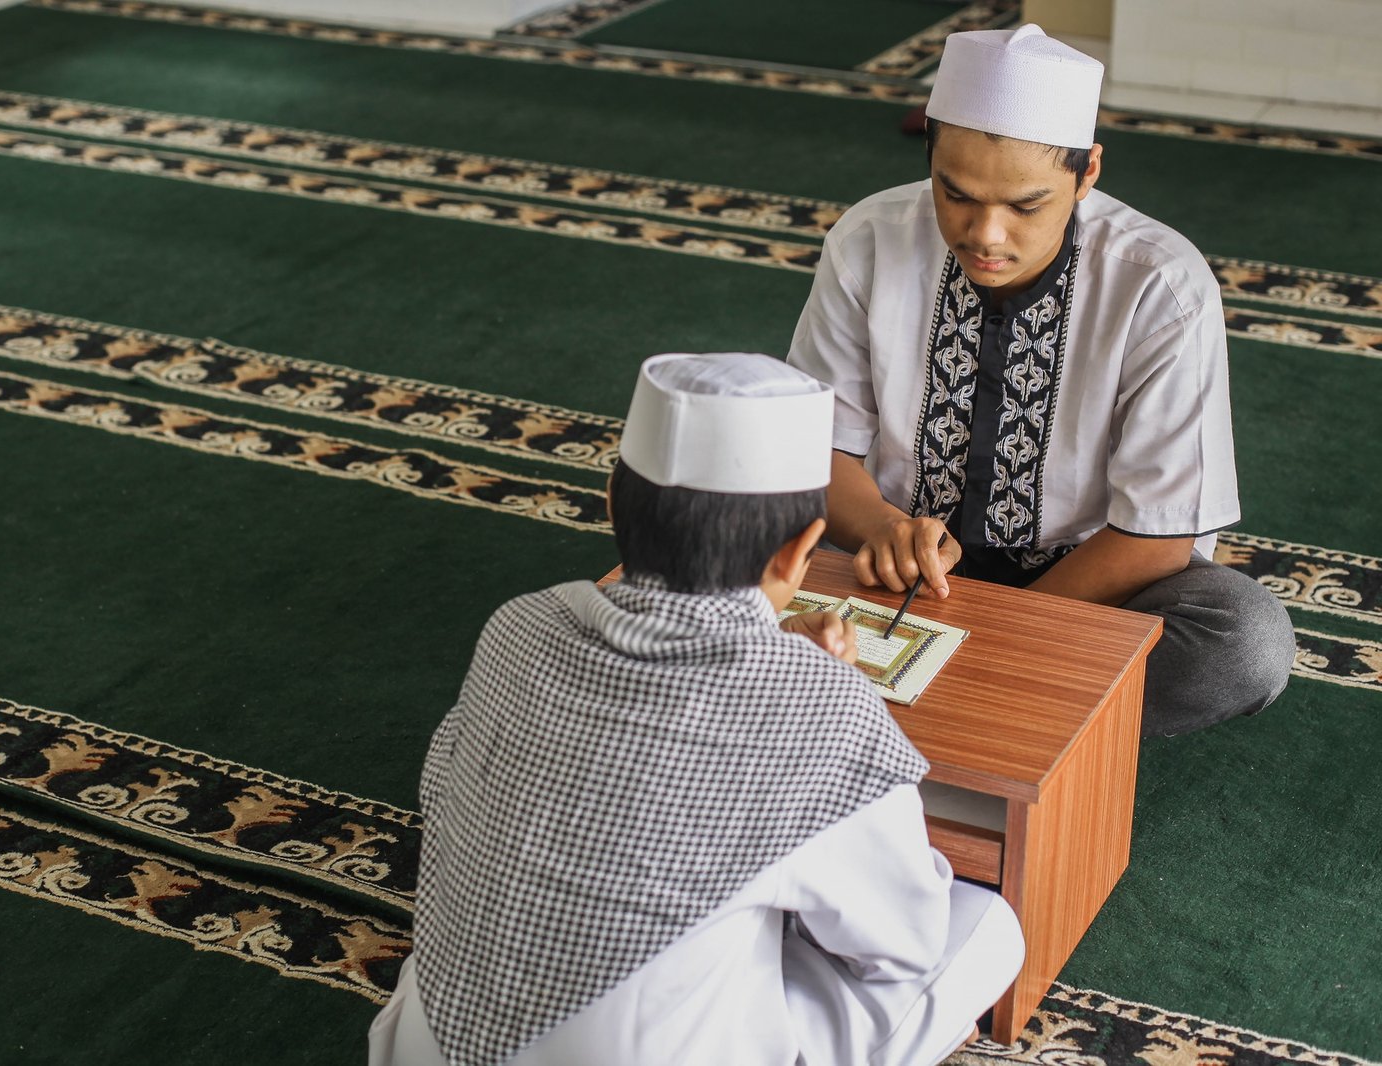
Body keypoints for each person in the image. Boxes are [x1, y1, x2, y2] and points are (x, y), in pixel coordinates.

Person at [368, 353, 1024, 1066]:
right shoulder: (815, 706)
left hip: (427, 1047)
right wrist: (800, 689)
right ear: (802, 548)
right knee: (984, 927)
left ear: (614, 501)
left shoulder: (519, 624)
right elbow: (906, 939)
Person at [787, 24, 1296, 737]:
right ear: (929, 151)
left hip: (1082, 591)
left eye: (1025, 206)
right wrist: (883, 530)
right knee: (704, 501)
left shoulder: (1162, 287)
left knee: (1244, 641)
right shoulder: (869, 239)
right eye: (955, 193)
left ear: (1087, 172)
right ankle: (1001, 715)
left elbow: (1156, 537)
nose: (985, 234)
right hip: (896, 577)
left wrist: (997, 637)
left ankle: (894, 699)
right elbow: (816, 449)